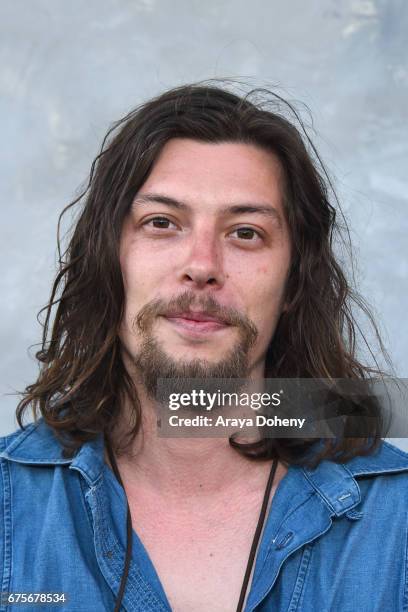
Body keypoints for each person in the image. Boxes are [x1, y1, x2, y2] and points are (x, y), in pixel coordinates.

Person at [1, 82, 407, 612]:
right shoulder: (10, 505)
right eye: (162, 223)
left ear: (294, 282)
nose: (202, 266)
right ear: (108, 259)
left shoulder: (397, 520)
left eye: (245, 232)